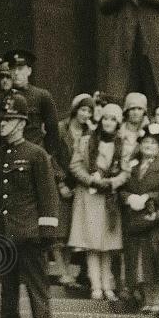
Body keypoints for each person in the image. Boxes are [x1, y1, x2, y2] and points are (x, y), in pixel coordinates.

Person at [0, 93, 60, 318]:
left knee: (38, 291)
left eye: (9, 119)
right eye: (2, 119)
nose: (2, 124)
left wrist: (47, 234)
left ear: (22, 123)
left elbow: (47, 197)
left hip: (30, 235)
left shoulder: (36, 155)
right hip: (4, 236)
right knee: (8, 293)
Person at [68, 102, 129, 302]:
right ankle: (95, 284)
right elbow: (75, 166)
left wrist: (112, 183)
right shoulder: (86, 141)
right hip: (90, 195)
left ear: (118, 123)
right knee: (92, 243)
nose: (109, 123)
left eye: (113, 119)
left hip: (109, 197)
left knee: (107, 244)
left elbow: (126, 171)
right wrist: (92, 180)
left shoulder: (123, 144)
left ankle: (108, 285)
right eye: (105, 118)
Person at [119, 123, 159, 314]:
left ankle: (157, 298)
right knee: (134, 258)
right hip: (132, 219)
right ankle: (141, 295)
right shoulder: (132, 165)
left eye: (153, 143)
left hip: (154, 219)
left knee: (153, 257)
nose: (148, 146)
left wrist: (148, 197)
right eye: (145, 142)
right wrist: (128, 198)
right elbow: (122, 187)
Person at [54, 93, 96, 291]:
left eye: (89, 111)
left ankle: (68, 272)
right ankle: (62, 271)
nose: (85, 114)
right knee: (58, 230)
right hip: (60, 182)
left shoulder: (91, 132)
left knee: (73, 230)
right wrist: (60, 181)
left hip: (79, 185)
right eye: (83, 109)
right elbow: (50, 155)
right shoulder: (61, 128)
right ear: (75, 109)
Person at [0, 49, 60, 157]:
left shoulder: (42, 96)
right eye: (13, 69)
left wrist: (47, 155)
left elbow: (53, 131)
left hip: (34, 154)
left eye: (20, 69)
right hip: (9, 155)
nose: (16, 73)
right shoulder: (1, 99)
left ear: (29, 71)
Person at [118, 91, 148, 161]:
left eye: (140, 109)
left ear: (144, 112)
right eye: (132, 109)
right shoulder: (118, 131)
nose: (136, 112)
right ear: (127, 111)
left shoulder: (147, 133)